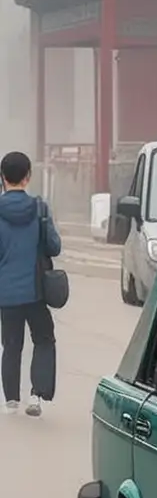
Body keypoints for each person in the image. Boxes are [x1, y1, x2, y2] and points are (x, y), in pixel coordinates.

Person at [0, 150, 62, 417]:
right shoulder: (40, 208)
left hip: (6, 294)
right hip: (36, 292)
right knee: (44, 339)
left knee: (11, 344)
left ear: (2, 177)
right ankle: (36, 395)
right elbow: (54, 246)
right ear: (27, 177)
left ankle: (11, 400)